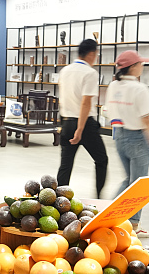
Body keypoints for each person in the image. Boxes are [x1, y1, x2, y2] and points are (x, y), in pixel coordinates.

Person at [104, 50, 149, 230]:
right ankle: (131, 225)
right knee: (139, 186)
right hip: (137, 138)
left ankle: (108, 214)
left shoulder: (113, 86)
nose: (142, 66)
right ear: (132, 67)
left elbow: (110, 113)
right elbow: (147, 120)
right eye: (140, 64)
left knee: (130, 180)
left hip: (119, 135)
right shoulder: (140, 89)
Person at [56, 39, 109, 198]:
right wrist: (79, 129)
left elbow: (62, 98)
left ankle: (59, 201)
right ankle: (99, 198)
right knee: (101, 160)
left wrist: (63, 123)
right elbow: (86, 102)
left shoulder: (65, 71)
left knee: (66, 165)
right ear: (92, 54)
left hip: (66, 121)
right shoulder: (90, 73)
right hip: (84, 125)